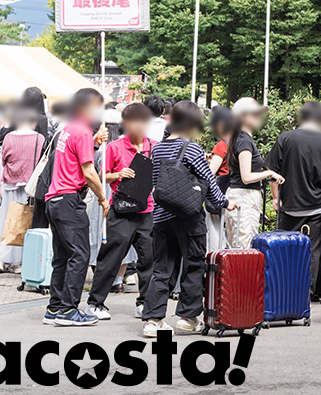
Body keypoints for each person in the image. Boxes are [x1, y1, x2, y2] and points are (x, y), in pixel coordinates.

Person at [142, 100, 235, 337]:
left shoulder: (158, 149)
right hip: (189, 217)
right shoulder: (192, 149)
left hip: (162, 217)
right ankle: (188, 317)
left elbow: (156, 182)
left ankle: (153, 320)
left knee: (162, 268)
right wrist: (225, 202)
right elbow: (209, 181)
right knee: (193, 265)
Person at [42, 87, 108, 326]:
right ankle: (69, 310)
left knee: (63, 256)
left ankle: (55, 308)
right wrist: (102, 198)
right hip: (69, 200)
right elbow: (88, 172)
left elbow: (74, 157)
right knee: (80, 255)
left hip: (55, 199)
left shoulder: (69, 128)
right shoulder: (81, 131)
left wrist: (94, 142)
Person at [86, 102, 155, 321]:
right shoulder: (115, 147)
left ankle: (145, 303)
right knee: (110, 258)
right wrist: (118, 174)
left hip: (147, 210)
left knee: (149, 259)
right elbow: (101, 175)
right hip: (121, 211)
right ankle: (95, 303)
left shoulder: (154, 147)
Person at [267, 101, 321, 300]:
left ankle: (284, 291)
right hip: (317, 208)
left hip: (289, 205)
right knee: (312, 251)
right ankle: (305, 293)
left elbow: (272, 171)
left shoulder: (286, 138)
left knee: (286, 249)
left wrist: (276, 198)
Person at [223, 97, 281, 248]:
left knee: (238, 248)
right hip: (244, 198)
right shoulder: (244, 141)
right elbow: (246, 177)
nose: (259, 117)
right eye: (254, 114)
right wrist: (269, 173)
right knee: (245, 249)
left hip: (239, 197)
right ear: (242, 116)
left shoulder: (239, 138)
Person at [0, 107, 43, 271]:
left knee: (6, 220)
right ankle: (18, 261)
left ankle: (0, 258)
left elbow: (3, 160)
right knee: (24, 221)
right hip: (29, 186)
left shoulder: (9, 137)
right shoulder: (39, 138)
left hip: (10, 183)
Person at [204, 105, 235, 252]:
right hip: (234, 191)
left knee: (215, 230)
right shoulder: (237, 142)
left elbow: (211, 172)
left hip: (220, 194)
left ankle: (216, 258)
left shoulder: (222, 145)